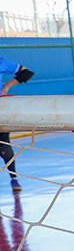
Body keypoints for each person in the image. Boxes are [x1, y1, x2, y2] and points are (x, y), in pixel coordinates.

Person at [0, 57, 34, 194]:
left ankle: (14, 178)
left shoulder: (1, 62)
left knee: (4, 146)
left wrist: (6, 86)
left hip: (1, 109)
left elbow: (26, 73)